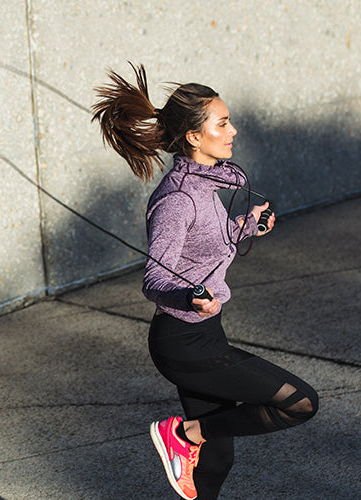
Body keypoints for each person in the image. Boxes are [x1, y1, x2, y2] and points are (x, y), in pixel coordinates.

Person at [92, 63, 318, 499]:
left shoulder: (205, 189)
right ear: (195, 137)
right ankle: (185, 434)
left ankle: (194, 437)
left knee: (217, 461)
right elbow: (156, 277)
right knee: (299, 403)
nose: (232, 130)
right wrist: (190, 295)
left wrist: (245, 226)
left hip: (204, 335)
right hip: (182, 342)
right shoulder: (177, 199)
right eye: (223, 123)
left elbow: (204, 248)